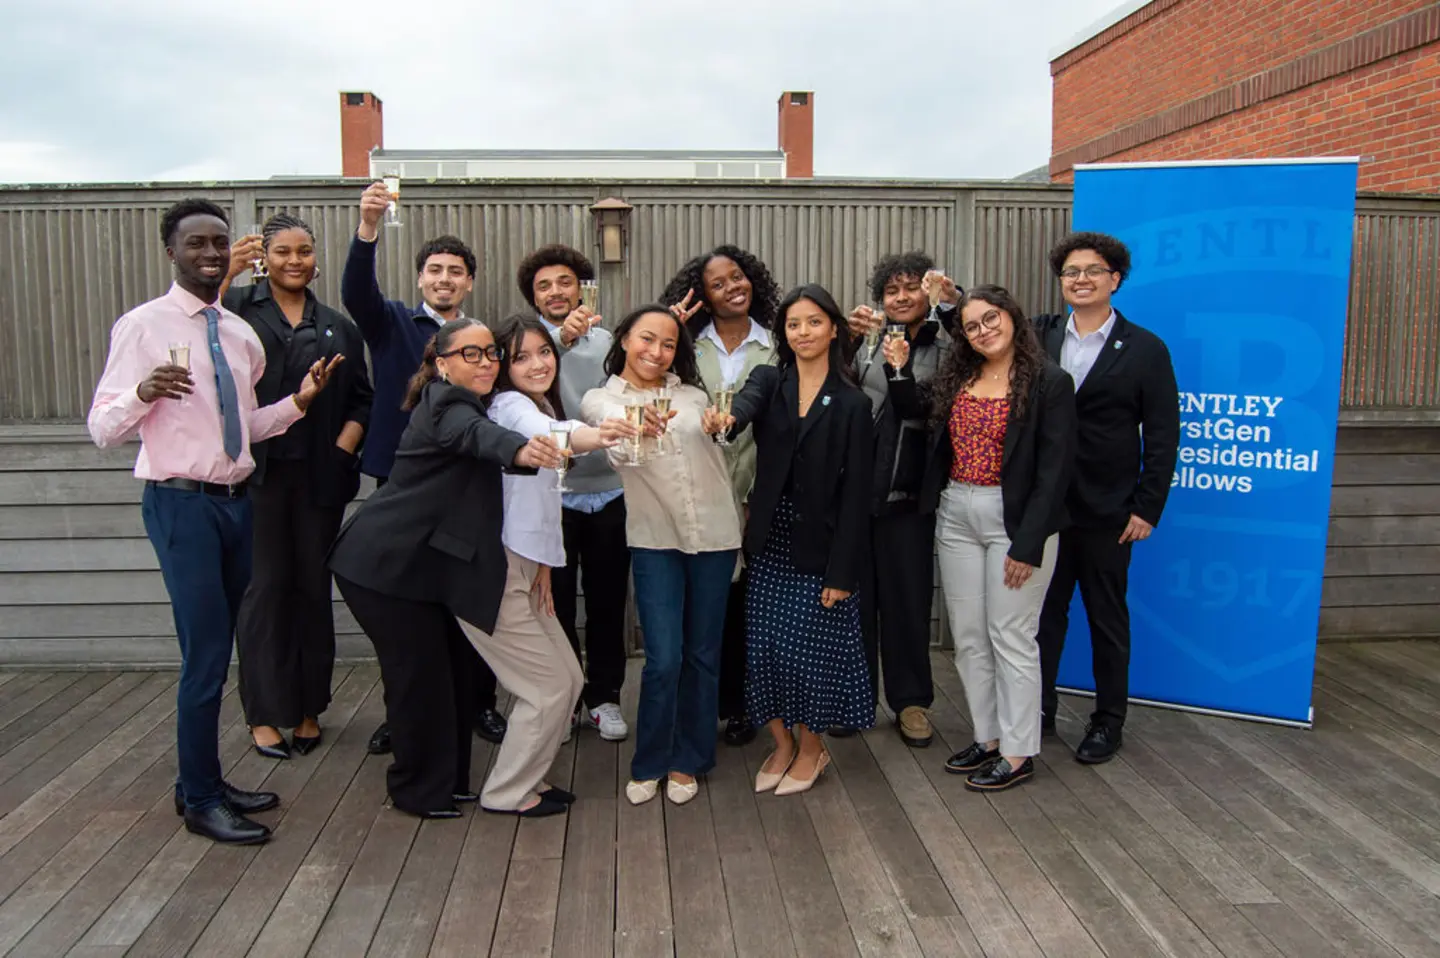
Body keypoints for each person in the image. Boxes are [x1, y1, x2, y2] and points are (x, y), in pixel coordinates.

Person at [87, 199, 340, 844]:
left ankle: (205, 778)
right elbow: (101, 428)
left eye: (218, 243)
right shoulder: (142, 327)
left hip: (236, 503)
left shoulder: (238, 335)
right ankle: (198, 797)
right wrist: (143, 392)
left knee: (224, 646)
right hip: (180, 505)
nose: (208, 253)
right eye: (194, 242)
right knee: (204, 656)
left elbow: (243, 428)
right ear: (171, 251)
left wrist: (299, 403)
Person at [330, 319, 568, 818]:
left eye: (490, 354)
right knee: (418, 677)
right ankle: (417, 791)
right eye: (470, 354)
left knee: (455, 674)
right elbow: (478, 436)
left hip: (428, 568)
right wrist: (522, 451)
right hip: (383, 567)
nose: (484, 362)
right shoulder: (446, 401)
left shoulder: (477, 402)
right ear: (442, 362)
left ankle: (453, 781)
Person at [340, 182, 507, 755]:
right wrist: (367, 229)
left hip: (465, 491)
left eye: (455, 271)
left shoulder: (480, 340)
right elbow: (355, 290)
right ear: (420, 279)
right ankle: (403, 715)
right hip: (404, 490)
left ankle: (477, 703)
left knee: (463, 601)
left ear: (469, 281)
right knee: (408, 616)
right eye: (434, 269)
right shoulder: (389, 322)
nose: (444, 278)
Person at [890, 286, 1075, 792]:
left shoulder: (1049, 383)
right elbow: (914, 409)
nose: (983, 330)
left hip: (1015, 521)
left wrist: (1029, 543)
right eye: (971, 326)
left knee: (1011, 636)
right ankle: (989, 737)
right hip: (956, 512)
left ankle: (1018, 752)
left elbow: (1055, 471)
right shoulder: (961, 377)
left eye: (990, 318)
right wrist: (900, 367)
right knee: (970, 638)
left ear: (1012, 317)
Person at [703, 284, 873, 795]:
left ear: (834, 329)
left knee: (810, 652)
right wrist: (727, 418)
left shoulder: (852, 404)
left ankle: (814, 746)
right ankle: (780, 742)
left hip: (820, 548)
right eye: (794, 324)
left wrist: (843, 572)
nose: (803, 332)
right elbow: (743, 409)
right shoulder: (768, 380)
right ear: (783, 333)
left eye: (814, 322)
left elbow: (857, 495)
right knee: (766, 649)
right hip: (769, 539)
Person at [219, 213, 373, 762]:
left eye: (303, 251)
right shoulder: (233, 310)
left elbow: (361, 399)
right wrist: (223, 279)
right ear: (263, 256)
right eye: (282, 251)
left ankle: (309, 707)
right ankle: (264, 712)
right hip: (255, 478)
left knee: (311, 589)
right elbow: (189, 328)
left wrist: (341, 450)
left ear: (315, 257)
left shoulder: (337, 324)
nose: (294, 260)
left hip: (318, 478)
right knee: (264, 592)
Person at [580, 307, 741, 807]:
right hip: (655, 539)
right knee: (663, 657)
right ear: (625, 339)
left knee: (703, 654)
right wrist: (637, 430)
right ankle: (649, 760)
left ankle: (687, 759)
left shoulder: (693, 396)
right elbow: (616, 447)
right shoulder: (600, 399)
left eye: (668, 344)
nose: (656, 351)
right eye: (647, 339)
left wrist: (721, 426)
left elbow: (721, 439)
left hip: (715, 534)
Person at [1034, 232, 1180, 764]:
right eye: (1071, 272)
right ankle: (1038, 711)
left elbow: (1164, 435)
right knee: (1043, 617)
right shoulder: (1041, 336)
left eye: (1093, 270)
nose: (1081, 280)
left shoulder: (1145, 348)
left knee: (1105, 618)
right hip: (1046, 509)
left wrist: (1147, 507)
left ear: (1115, 279)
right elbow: (983, 330)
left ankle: (1107, 721)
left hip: (1110, 511)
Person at [661, 245, 782, 747]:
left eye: (739, 277)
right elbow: (650, 381)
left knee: (749, 605)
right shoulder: (687, 346)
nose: (734, 287)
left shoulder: (776, 344)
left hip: (761, 488)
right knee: (709, 602)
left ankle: (742, 704)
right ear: (701, 296)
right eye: (719, 283)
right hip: (699, 490)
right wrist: (670, 326)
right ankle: (700, 703)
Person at [843, 251, 960, 748]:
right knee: (856, 601)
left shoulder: (948, 345)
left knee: (908, 603)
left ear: (928, 293)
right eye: (891, 291)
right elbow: (842, 392)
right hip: (858, 492)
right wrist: (847, 340)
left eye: (911, 287)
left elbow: (924, 408)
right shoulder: (871, 341)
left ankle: (912, 702)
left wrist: (901, 366)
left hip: (909, 494)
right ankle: (857, 698)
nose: (901, 297)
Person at [516, 245, 629, 742]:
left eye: (564, 282)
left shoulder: (609, 341)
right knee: (551, 605)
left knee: (607, 603)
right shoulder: (525, 343)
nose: (555, 292)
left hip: (607, 492)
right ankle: (562, 700)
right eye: (544, 285)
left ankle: (604, 698)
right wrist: (557, 341)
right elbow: (521, 387)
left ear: (583, 287)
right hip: (551, 496)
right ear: (533, 296)